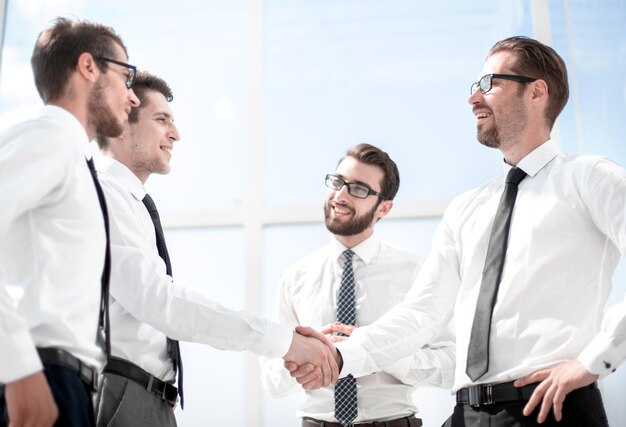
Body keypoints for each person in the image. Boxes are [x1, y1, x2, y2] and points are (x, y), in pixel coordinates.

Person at [292, 36, 626, 426]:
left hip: (549, 408)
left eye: (489, 84)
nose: (473, 99)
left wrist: (594, 361)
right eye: (474, 87)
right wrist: (341, 355)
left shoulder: (590, 178)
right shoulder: (466, 208)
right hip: (466, 413)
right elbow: (422, 312)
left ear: (536, 92)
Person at [94, 71, 338, 427]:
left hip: (145, 395)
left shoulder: (129, 202)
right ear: (120, 122)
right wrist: (284, 342)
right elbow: (159, 301)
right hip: (122, 393)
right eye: (162, 120)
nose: (175, 135)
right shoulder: (105, 195)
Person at [0, 17, 140, 427]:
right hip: (40, 376)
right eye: (126, 77)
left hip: (67, 384)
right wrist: (19, 366)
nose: (132, 98)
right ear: (88, 67)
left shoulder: (74, 160)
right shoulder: (49, 139)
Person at [261, 143, 455, 427]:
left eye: (359, 189)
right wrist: (305, 355)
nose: (340, 196)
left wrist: (376, 351)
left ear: (384, 208)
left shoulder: (416, 273)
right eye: (338, 182)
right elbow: (271, 380)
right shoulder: (295, 277)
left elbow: (451, 365)